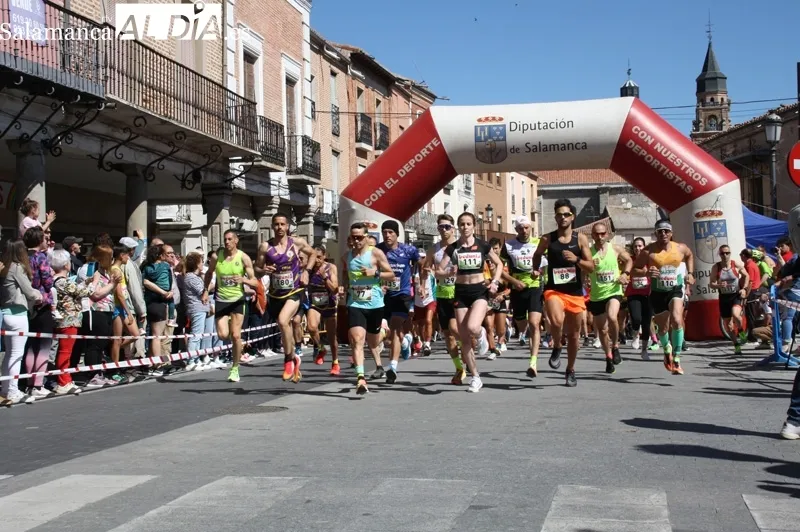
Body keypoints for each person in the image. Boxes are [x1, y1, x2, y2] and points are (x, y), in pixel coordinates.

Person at [436, 212, 503, 393]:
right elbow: (438, 271)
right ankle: (475, 377)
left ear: (474, 226)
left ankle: (481, 334)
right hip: (460, 293)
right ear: (458, 227)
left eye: (468, 224)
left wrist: (495, 282)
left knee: (473, 327)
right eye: (462, 224)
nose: (465, 227)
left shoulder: (482, 245)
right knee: (463, 338)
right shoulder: (453, 248)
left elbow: (499, 264)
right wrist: (448, 272)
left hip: (479, 291)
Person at [531, 199, 595, 387]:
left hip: (574, 292)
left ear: (572, 217)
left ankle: (570, 369)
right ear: (555, 217)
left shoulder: (580, 239)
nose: (563, 217)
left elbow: (591, 267)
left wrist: (576, 260)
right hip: (554, 290)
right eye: (559, 214)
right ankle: (558, 345)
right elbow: (537, 254)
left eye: (566, 214)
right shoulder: (547, 239)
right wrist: (535, 269)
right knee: (557, 321)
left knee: (574, 336)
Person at [254, 214, 316, 382]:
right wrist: (264, 270)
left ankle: (288, 359)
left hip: (294, 291)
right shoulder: (265, 247)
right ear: (272, 226)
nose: (280, 227)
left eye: (282, 224)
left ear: (287, 226)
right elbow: (256, 269)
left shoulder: (296, 243)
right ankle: (293, 356)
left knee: (283, 321)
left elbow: (313, 254)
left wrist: (306, 271)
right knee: (284, 326)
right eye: (276, 224)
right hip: (275, 294)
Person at [632, 220, 695, 375]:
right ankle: (666, 348)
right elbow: (634, 270)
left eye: (666, 231)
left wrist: (690, 274)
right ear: (655, 234)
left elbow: (689, 255)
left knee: (677, 319)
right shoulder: (648, 251)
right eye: (660, 231)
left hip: (675, 289)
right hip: (657, 291)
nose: (663, 234)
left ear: (671, 233)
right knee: (663, 328)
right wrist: (646, 273)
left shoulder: (680, 248)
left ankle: (677, 358)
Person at [342, 222, 395, 395]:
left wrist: (375, 273)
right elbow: (345, 273)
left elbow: (391, 275)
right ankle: (361, 378)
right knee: (357, 339)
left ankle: (383, 333)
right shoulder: (347, 256)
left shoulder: (376, 253)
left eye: (359, 237)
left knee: (373, 342)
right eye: (353, 237)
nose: (356, 241)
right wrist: (343, 285)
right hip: (355, 303)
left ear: (366, 237)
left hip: (375, 304)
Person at [204, 230, 259, 383]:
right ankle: (235, 336)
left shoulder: (243, 257)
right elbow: (209, 273)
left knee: (235, 336)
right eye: (225, 239)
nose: (227, 242)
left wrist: (244, 280)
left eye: (229, 239)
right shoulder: (217, 256)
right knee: (223, 335)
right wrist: (205, 291)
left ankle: (235, 368)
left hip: (237, 300)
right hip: (221, 300)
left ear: (236, 241)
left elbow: (255, 282)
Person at [375, 220, 420, 384]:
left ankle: (392, 367)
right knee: (384, 332)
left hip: (402, 294)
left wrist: (419, 282)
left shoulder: (408, 250)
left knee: (394, 326)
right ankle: (405, 341)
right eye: (384, 232)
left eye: (390, 232)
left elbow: (421, 264)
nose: (387, 235)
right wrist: (378, 284)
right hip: (383, 295)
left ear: (397, 234)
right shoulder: (377, 250)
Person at [500, 216, 545, 376]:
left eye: (526, 228)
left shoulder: (539, 243)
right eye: (521, 228)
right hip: (517, 288)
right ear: (516, 229)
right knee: (522, 324)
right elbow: (498, 270)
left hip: (535, 286)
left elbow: (546, 266)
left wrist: (539, 271)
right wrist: (514, 281)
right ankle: (524, 332)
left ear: (530, 228)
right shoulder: (508, 246)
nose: (524, 231)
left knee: (534, 323)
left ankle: (533, 362)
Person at [587, 222, 632, 374]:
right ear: (592, 235)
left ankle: (616, 346)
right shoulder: (588, 252)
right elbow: (581, 269)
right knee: (602, 330)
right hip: (597, 295)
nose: (600, 237)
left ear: (607, 235)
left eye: (602, 234)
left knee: (613, 316)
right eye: (596, 234)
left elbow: (629, 260)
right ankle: (608, 356)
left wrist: (625, 274)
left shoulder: (615, 249)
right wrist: (586, 275)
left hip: (614, 290)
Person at [425, 214, 465, 384]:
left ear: (453, 229)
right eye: (441, 227)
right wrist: (423, 284)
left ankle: (467, 346)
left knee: (455, 329)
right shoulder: (434, 249)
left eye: (447, 226)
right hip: (442, 294)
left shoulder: (461, 246)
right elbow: (426, 267)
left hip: (459, 293)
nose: (444, 230)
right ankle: (459, 368)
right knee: (448, 335)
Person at [0, 241, 39, 404]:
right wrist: (40, 295)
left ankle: (6, 388)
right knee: (16, 354)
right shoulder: (17, 267)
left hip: (5, 313)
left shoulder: (4, 267)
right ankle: (13, 391)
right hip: (18, 314)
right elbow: (30, 292)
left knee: (9, 354)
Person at [307, 245, 340, 375]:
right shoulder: (308, 268)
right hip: (315, 303)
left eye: (319, 257)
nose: (317, 260)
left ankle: (335, 362)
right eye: (314, 257)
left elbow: (335, 289)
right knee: (311, 327)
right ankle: (320, 347)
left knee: (332, 336)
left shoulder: (331, 268)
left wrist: (325, 277)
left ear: (324, 256)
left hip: (329, 303)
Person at [709, 245, 749, 353]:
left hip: (735, 295)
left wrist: (744, 289)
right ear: (719, 254)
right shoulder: (716, 267)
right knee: (728, 325)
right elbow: (711, 284)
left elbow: (746, 276)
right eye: (722, 253)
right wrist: (718, 285)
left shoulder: (735, 264)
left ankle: (741, 331)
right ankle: (736, 345)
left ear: (730, 254)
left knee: (736, 315)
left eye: (727, 253)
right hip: (724, 297)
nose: (725, 255)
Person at [626, 237, 654, 359]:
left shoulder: (649, 260)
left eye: (640, 246)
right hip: (633, 293)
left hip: (648, 294)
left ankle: (644, 350)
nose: (638, 248)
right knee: (636, 318)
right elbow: (627, 271)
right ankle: (635, 334)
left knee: (647, 323)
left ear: (644, 247)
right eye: (635, 246)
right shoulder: (630, 260)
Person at [412, 250, 436, 357]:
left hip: (430, 299)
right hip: (418, 301)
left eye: (422, 257)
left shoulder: (430, 268)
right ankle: (422, 342)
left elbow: (428, 277)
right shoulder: (413, 270)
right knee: (419, 324)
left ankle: (427, 343)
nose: (420, 260)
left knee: (428, 320)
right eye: (418, 258)